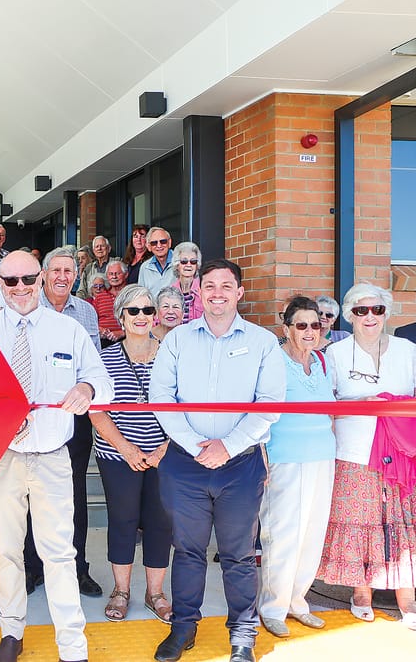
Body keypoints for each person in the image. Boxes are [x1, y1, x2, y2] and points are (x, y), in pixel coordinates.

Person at [0, 251, 113, 662]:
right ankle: (11, 632)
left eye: (27, 279)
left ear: (40, 280)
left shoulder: (68, 330)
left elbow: (100, 379)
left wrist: (87, 390)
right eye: (10, 281)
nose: (20, 288)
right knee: (6, 549)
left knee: (59, 552)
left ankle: (72, 644)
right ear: (0, 284)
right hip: (3, 458)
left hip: (53, 456)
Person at [149, 258, 285, 662]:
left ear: (239, 293)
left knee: (238, 554)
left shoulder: (263, 342)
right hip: (185, 464)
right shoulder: (177, 340)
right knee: (187, 550)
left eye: (227, 286)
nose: (218, 293)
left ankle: (242, 634)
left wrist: (228, 445)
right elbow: (162, 398)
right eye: (209, 286)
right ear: (198, 291)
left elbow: (270, 405)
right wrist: (196, 445)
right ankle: (184, 627)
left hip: (241, 465)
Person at [317, 283, 416, 629]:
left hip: (401, 454)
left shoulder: (407, 350)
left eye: (377, 310)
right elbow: (323, 405)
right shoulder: (336, 354)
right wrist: (361, 405)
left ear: (387, 313)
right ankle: (361, 592)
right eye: (361, 311)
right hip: (354, 451)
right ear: (350, 315)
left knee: (402, 523)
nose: (369, 317)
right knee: (361, 521)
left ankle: (408, 596)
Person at [90, 284, 172, 623]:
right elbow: (96, 411)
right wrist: (126, 448)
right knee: (122, 522)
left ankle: (155, 593)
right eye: (134, 311)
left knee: (160, 524)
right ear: (121, 317)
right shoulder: (105, 357)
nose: (142, 317)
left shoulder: (172, 354)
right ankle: (121, 590)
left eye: (147, 310)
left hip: (164, 454)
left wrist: (164, 449)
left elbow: (185, 407)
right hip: (117, 455)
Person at [257, 296, 336, 637]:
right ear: (286, 328)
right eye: (301, 325)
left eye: (315, 326)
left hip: (321, 456)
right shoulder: (273, 362)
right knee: (282, 533)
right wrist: (263, 460)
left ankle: (297, 602)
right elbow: (259, 412)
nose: (309, 332)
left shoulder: (322, 361)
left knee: (311, 534)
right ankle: (272, 607)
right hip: (284, 457)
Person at [30, 247, 103, 597]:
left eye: (68, 271)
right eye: (55, 270)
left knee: (74, 493)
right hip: (35, 418)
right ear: (43, 274)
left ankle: (79, 568)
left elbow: (95, 366)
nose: (62, 276)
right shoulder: (30, 308)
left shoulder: (86, 312)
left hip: (76, 418)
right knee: (32, 492)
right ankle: (33, 567)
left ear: (76, 276)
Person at [169, 242, 203, 324]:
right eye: (184, 261)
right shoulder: (170, 292)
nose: (189, 265)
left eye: (193, 261)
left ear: (197, 265)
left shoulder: (204, 290)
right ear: (177, 265)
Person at [88, 272, 123, 347]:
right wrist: (99, 329)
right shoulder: (89, 302)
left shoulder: (119, 297)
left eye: (101, 286)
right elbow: (89, 322)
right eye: (95, 286)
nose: (98, 288)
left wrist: (122, 332)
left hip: (122, 337)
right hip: (102, 338)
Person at [138, 227, 174, 297]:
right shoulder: (144, 267)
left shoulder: (181, 262)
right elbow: (141, 295)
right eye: (154, 243)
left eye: (163, 241)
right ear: (148, 246)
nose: (159, 245)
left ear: (169, 243)